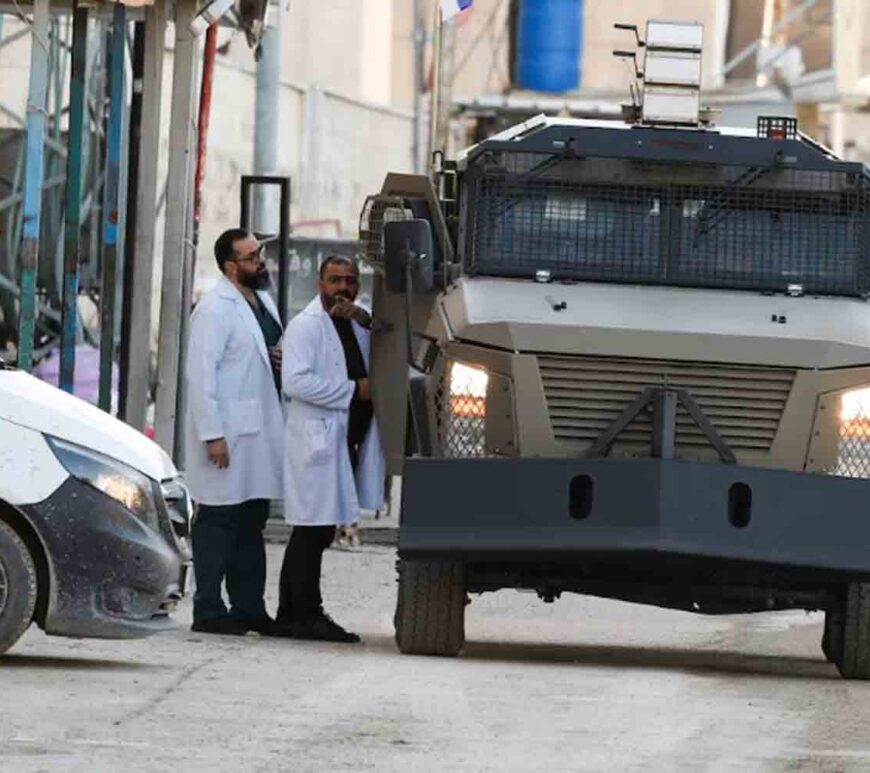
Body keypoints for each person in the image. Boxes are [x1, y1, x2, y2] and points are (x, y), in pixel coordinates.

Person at [276, 255, 385, 642]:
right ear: (320, 284)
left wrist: (367, 322)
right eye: (335, 280)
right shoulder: (307, 326)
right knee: (312, 528)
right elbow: (296, 383)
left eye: (351, 280)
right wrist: (355, 390)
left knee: (316, 529)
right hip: (315, 439)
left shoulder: (356, 321)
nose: (343, 287)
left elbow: (380, 345)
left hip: (341, 438)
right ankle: (306, 614)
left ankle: (290, 614)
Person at [184, 228, 284, 636]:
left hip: (256, 431)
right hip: (228, 433)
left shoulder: (260, 300)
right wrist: (212, 434)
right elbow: (200, 375)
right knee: (217, 520)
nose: (260, 261)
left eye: (259, 253)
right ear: (230, 266)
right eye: (251, 256)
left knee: (250, 520)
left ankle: (249, 608)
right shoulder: (214, 308)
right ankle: (208, 608)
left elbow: (257, 354)